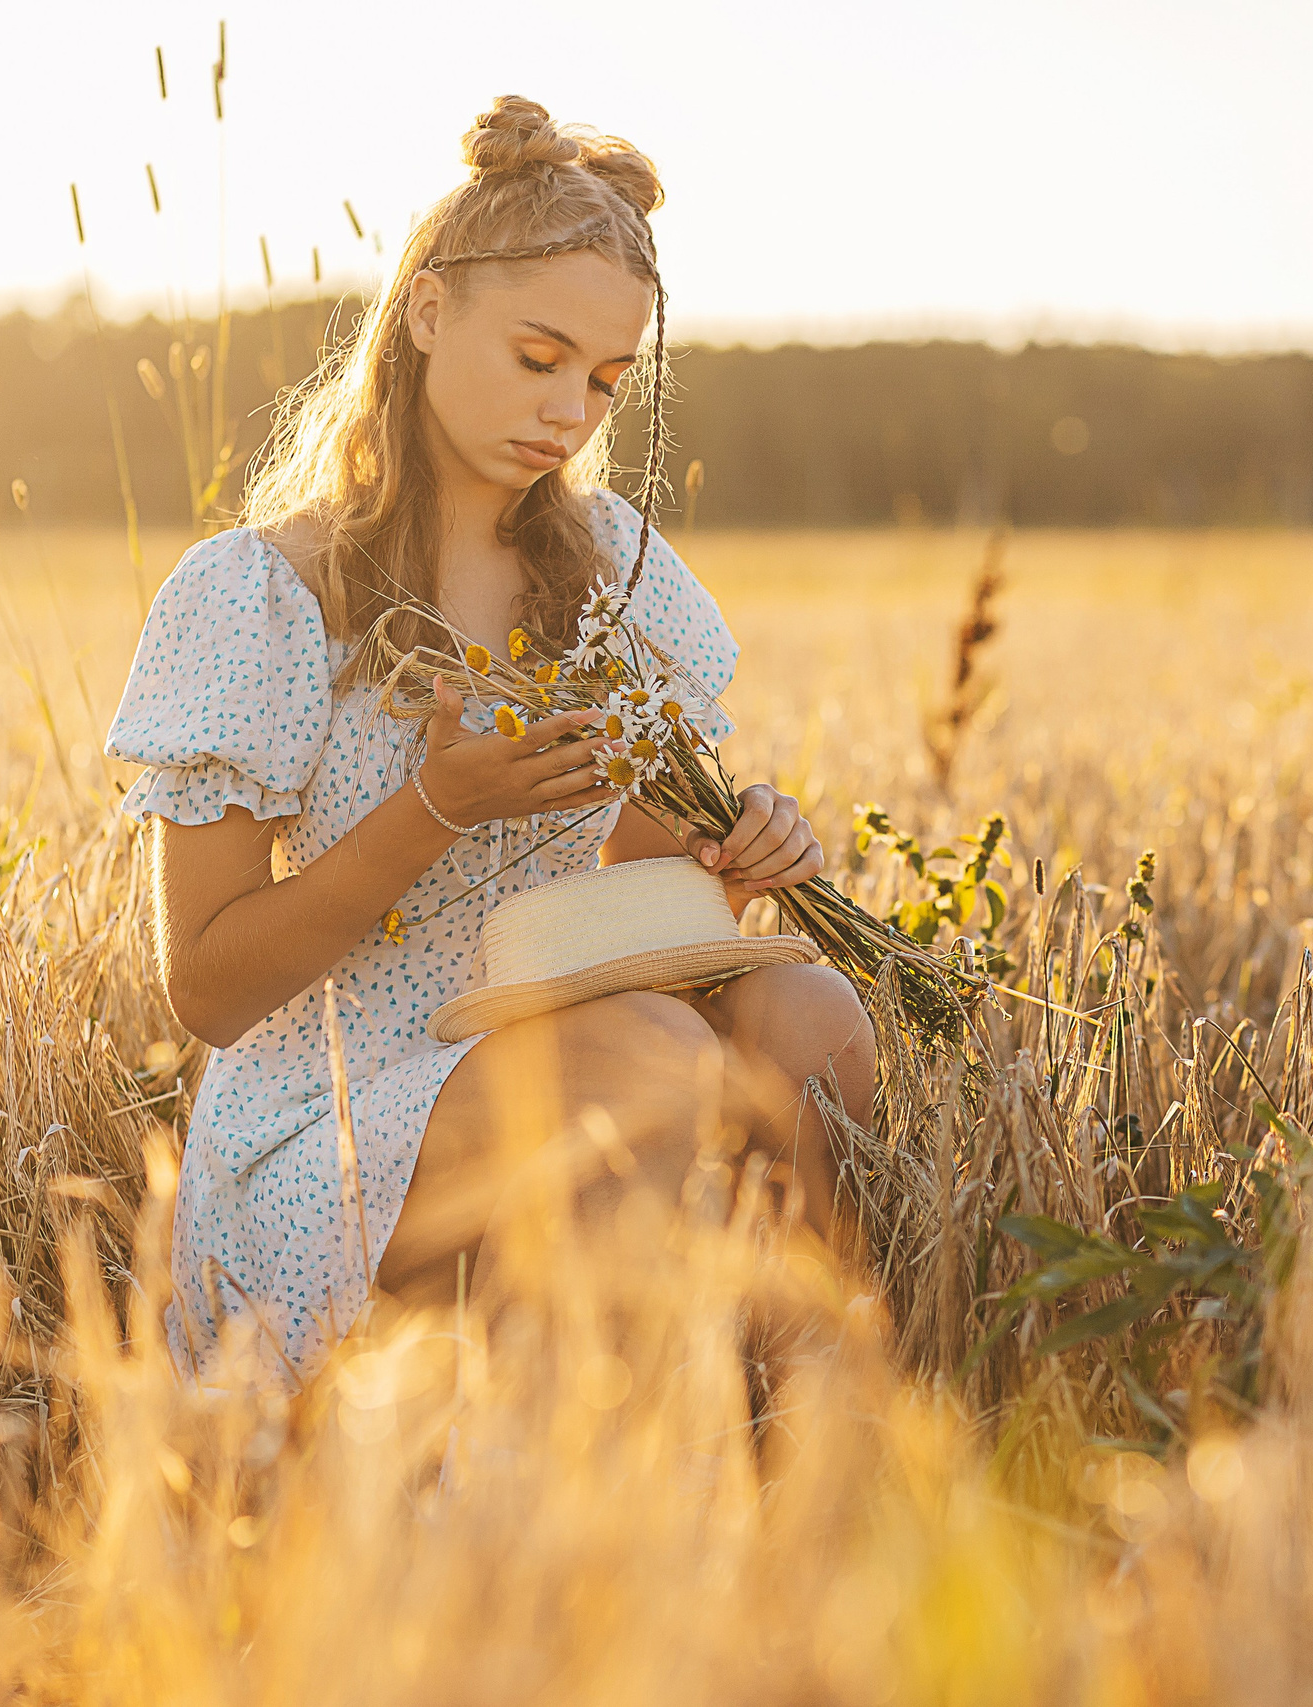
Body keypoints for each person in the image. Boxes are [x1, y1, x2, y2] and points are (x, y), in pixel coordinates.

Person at [104, 95, 873, 1380]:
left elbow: (624, 879)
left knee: (808, 1012)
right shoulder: (260, 595)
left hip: (565, 1023)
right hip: (329, 1112)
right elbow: (210, 989)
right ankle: (568, 1458)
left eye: (605, 379)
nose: (570, 408)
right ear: (426, 312)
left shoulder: (615, 567)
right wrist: (436, 810)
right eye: (538, 357)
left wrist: (725, 853)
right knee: (653, 1057)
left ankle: (814, 1423)